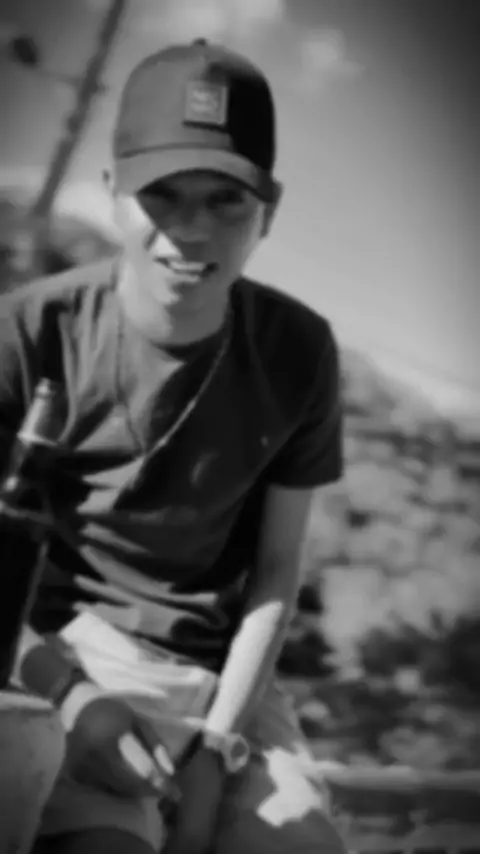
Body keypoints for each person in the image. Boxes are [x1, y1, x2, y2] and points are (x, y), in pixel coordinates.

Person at [0, 38, 346, 854]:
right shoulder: (29, 331)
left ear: (270, 210)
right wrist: (74, 698)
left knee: (300, 843)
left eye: (227, 200)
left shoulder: (299, 350)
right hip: (58, 653)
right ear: (114, 192)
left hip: (225, 678)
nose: (191, 231)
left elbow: (276, 572)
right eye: (163, 193)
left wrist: (217, 747)